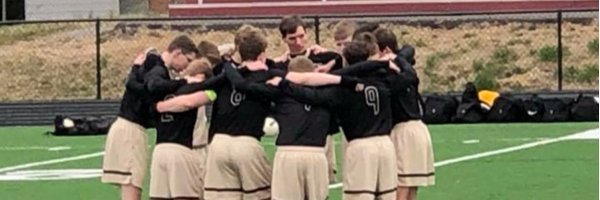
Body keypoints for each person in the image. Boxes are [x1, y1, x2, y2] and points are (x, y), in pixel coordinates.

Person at [202, 25, 273, 200]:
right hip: (247, 143)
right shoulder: (268, 75)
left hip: (218, 143)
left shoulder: (223, 72)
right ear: (262, 53)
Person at [373, 27, 435, 200]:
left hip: (404, 131)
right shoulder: (403, 63)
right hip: (418, 130)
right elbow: (408, 50)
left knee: (400, 185)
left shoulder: (391, 72)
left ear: (385, 51)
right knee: (410, 186)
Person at [149, 59, 217, 200]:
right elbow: (190, 102)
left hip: (159, 150)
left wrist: (160, 106)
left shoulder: (165, 87)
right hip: (182, 150)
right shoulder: (201, 90)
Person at [101, 49, 158, 200]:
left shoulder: (136, 77)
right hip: (131, 131)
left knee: (130, 184)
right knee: (132, 185)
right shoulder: (145, 83)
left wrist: (135, 67)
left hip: (124, 128)